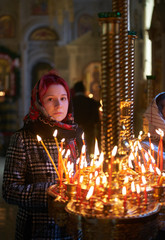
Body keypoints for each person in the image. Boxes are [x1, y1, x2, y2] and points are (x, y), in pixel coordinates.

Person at [2, 70, 83, 240]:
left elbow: (85, 175)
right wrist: (50, 192)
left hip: (73, 229)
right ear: (39, 102)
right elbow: (9, 190)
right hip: (38, 230)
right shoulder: (24, 138)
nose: (59, 105)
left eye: (63, 98)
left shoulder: (75, 135)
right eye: (50, 99)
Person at [72, 81, 101, 156]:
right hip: (89, 130)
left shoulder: (71, 102)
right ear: (84, 90)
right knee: (89, 150)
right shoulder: (91, 102)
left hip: (75, 130)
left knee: (77, 151)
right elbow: (96, 119)